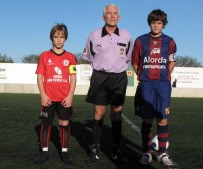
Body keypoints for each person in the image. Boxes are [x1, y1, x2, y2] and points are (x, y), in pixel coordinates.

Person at [81, 4, 133, 164]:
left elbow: (128, 57)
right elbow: (88, 57)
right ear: (103, 17)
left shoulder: (127, 36)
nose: (112, 16)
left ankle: (116, 149)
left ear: (119, 17)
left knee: (116, 114)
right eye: (109, 13)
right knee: (99, 114)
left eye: (115, 13)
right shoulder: (94, 35)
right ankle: (95, 150)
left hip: (119, 78)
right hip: (100, 78)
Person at [131, 9, 177, 167]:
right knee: (147, 119)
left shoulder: (170, 41)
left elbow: (172, 61)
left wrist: (164, 75)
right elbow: (135, 61)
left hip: (163, 85)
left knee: (163, 119)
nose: (156, 25)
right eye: (153, 22)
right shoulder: (140, 40)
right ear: (149, 23)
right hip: (146, 85)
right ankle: (146, 152)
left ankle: (162, 153)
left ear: (163, 24)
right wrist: (143, 76)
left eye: (159, 23)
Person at [35, 23, 77, 164]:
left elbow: (73, 77)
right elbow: (40, 76)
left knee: (64, 123)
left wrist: (70, 95)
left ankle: (64, 152)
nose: (59, 40)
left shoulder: (71, 57)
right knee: (46, 123)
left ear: (65, 38)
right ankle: (44, 152)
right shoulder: (44, 56)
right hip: (48, 98)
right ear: (51, 38)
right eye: (56, 36)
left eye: (62, 37)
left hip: (64, 98)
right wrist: (43, 94)